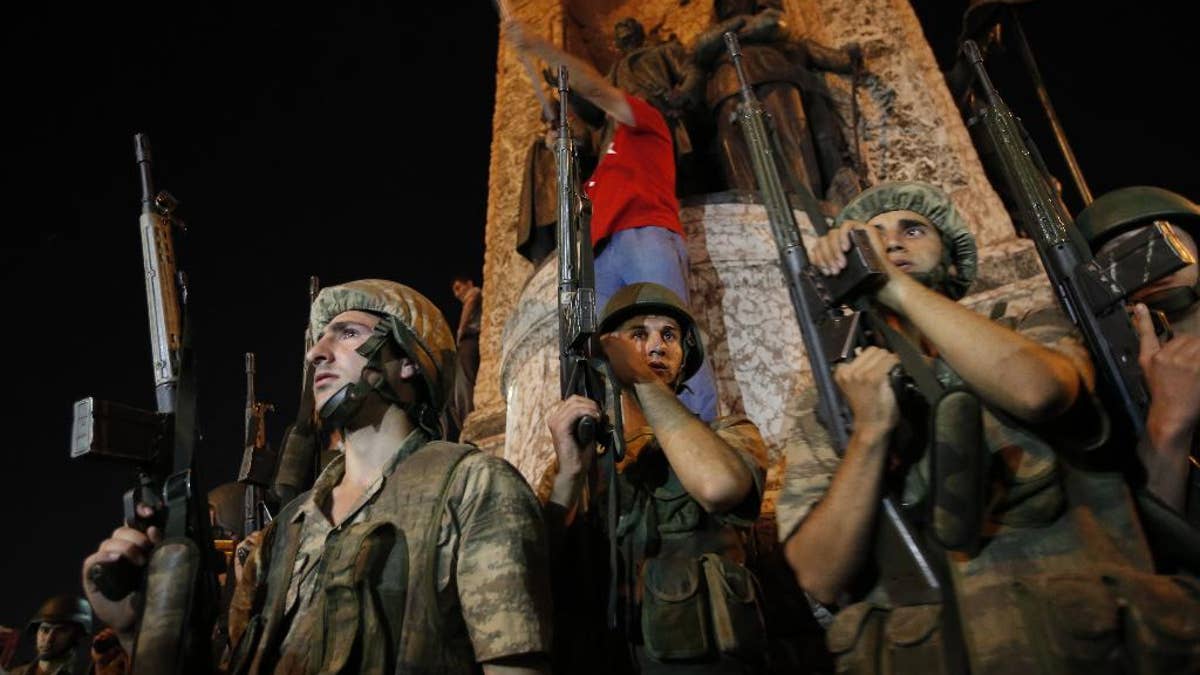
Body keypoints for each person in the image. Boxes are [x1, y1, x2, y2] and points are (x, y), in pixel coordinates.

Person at [778, 182, 1200, 673]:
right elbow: (817, 574)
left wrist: (886, 280)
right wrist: (870, 434)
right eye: (872, 235)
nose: (890, 243)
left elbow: (1040, 391)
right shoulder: (830, 398)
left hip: (1081, 639)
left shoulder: (1026, 326)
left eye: (912, 229)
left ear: (955, 262)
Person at [83, 279, 553, 674]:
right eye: (317, 340)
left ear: (410, 359)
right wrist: (135, 630)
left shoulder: (473, 487)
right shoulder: (285, 533)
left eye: (345, 333)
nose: (315, 354)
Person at [546, 282, 769, 674]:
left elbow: (719, 487)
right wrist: (569, 474)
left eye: (669, 335)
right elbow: (535, 568)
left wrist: (643, 382)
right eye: (638, 335)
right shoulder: (579, 459)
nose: (655, 347)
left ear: (684, 357)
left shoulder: (729, 434)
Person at [504, 18, 720, 422]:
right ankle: (632, 450)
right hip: (599, 257)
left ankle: (707, 435)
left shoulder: (648, 122)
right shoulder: (605, 168)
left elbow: (595, 87)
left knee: (671, 337)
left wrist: (540, 45)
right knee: (609, 356)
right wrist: (561, 151)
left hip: (644, 236)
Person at [1076, 186, 1200, 522]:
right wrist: (1168, 418)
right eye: (1119, 253)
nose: (1147, 257)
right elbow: (1155, 542)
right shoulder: (1111, 375)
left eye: (1161, 238)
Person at [693, 0, 864, 206]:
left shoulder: (782, 36)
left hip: (774, 75)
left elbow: (774, 23)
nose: (728, 5)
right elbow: (701, 48)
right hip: (726, 88)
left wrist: (731, 34)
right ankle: (755, 209)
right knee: (739, 159)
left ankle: (804, 205)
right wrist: (740, 24)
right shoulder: (724, 35)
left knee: (789, 143)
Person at [6, 596, 92, 675]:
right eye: (44, 630)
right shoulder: (17, 673)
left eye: (61, 631)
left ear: (76, 636)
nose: (49, 639)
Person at [450, 275, 484, 434]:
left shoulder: (475, 291)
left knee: (465, 380)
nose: (457, 294)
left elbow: (470, 303)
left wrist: (460, 331)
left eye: (458, 287)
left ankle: (469, 417)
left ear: (469, 283)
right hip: (469, 340)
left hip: (470, 339)